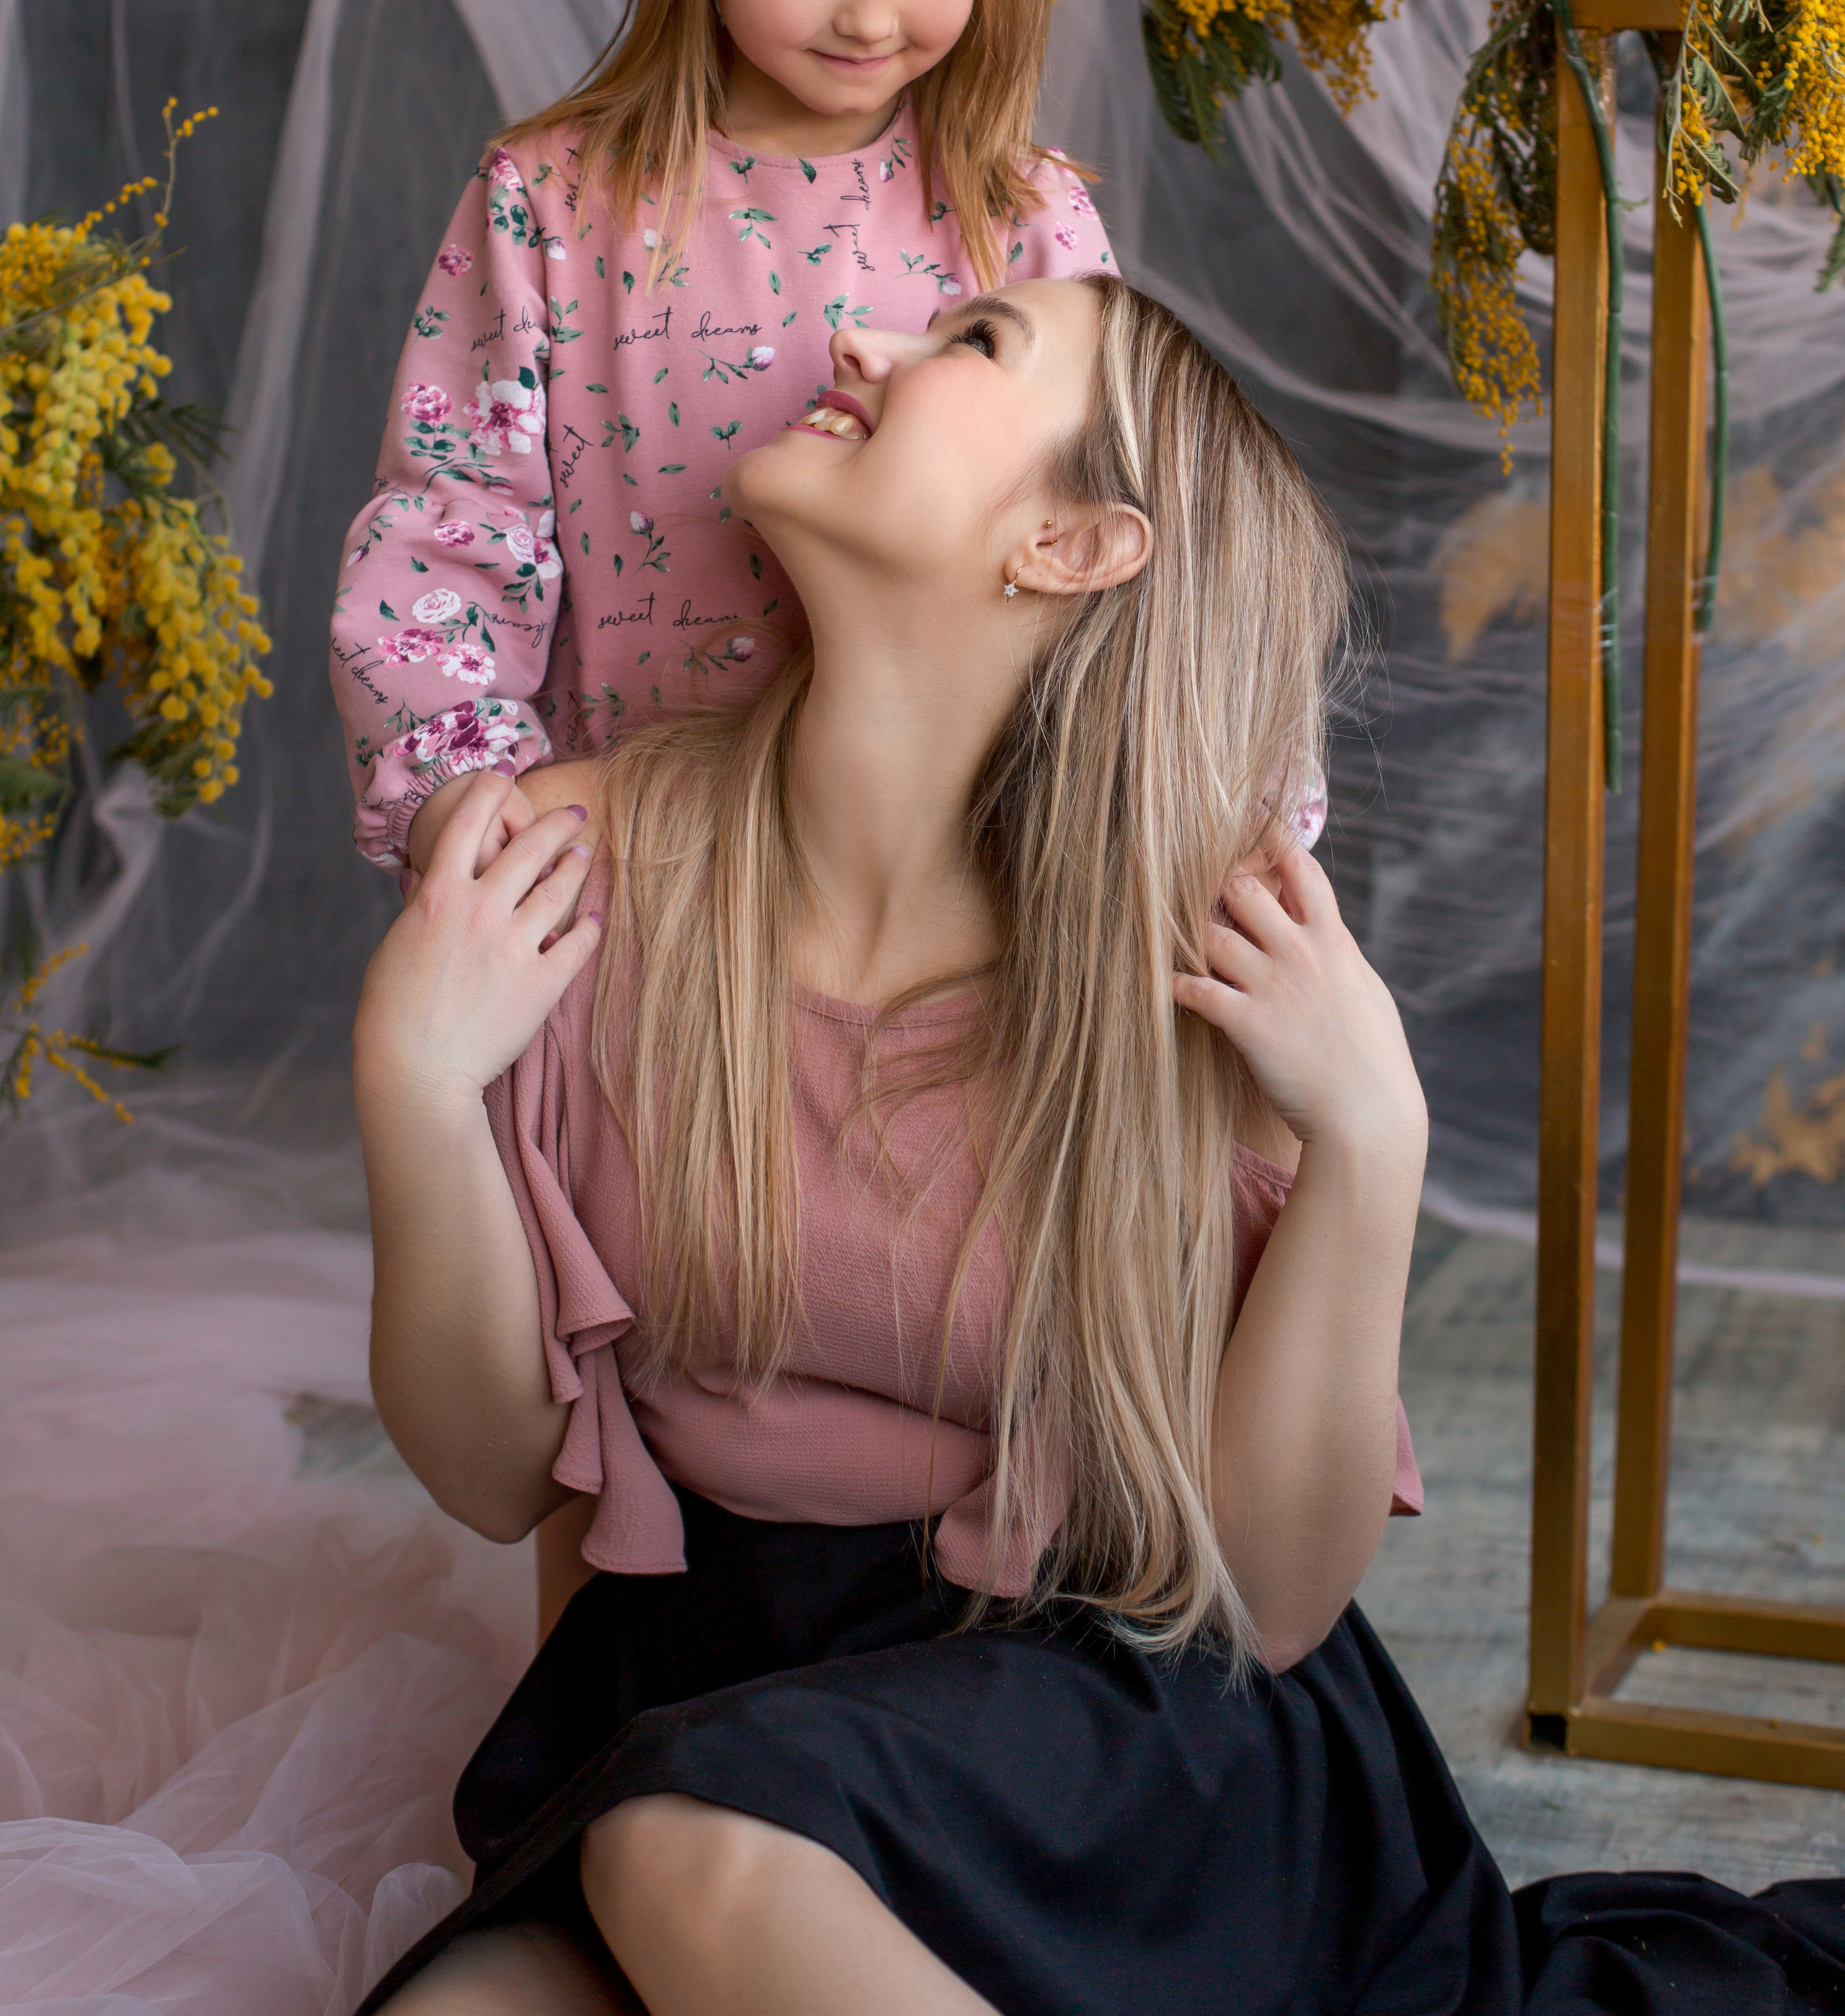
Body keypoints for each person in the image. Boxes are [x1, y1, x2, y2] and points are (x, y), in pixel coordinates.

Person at [349, 272, 1845, 2015]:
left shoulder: (1191, 958)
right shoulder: (570, 869)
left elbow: (1269, 1598)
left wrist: (1370, 1137)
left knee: (698, 1856)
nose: (860, 345)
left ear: (1073, 543)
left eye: (970, 345)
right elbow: (495, 1473)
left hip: (1120, 1711)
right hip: (703, 1680)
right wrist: (417, 1094)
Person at [329, 0, 1116, 886]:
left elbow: (1129, 535)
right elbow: (448, 535)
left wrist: (1230, 822)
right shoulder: (552, 204)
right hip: (631, 887)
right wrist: (461, 803)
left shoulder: (1027, 219)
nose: (871, 17)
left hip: (939, 900)